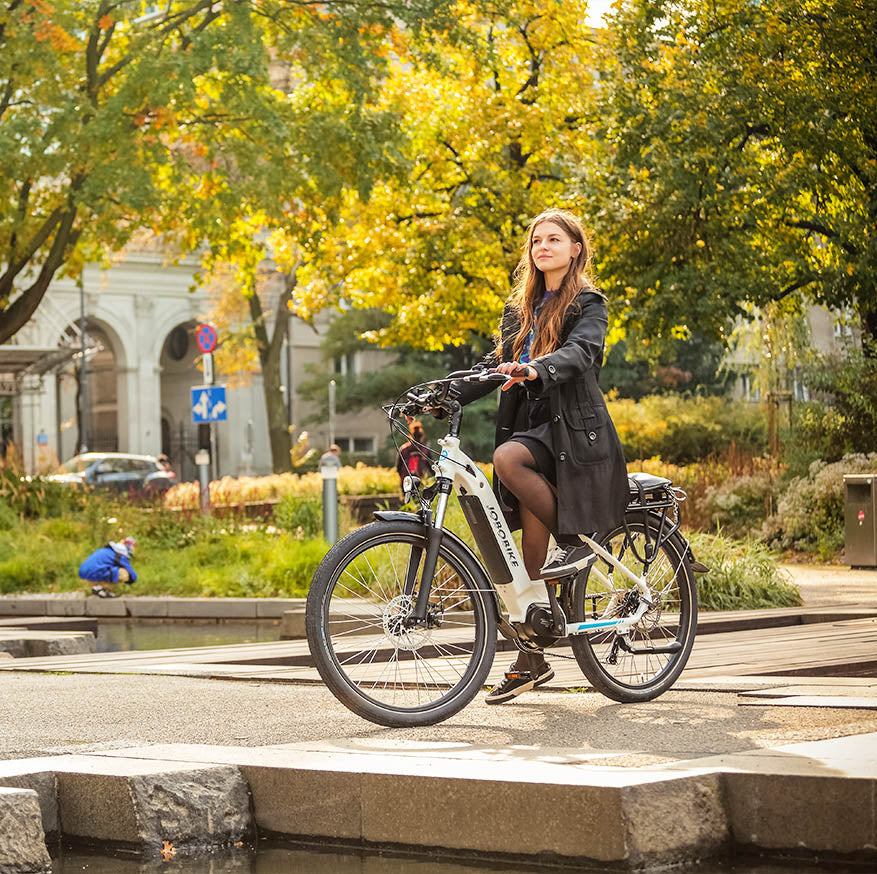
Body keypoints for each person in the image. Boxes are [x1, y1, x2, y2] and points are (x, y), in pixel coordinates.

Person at [454, 208, 628, 704]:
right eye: (536, 241)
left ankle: (576, 541)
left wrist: (536, 369)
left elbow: (582, 354)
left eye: (554, 239)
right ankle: (532, 658)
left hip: (573, 436)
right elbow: (494, 367)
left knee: (508, 460)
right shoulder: (521, 310)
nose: (543, 246)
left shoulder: (588, 303)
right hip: (535, 431)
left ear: (576, 248)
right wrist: (446, 391)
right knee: (524, 562)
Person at [396, 420, 431, 489]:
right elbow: (430, 468)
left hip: (406, 481)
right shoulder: (425, 450)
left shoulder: (404, 449)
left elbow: (398, 467)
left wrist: (401, 478)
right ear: (422, 436)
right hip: (421, 481)